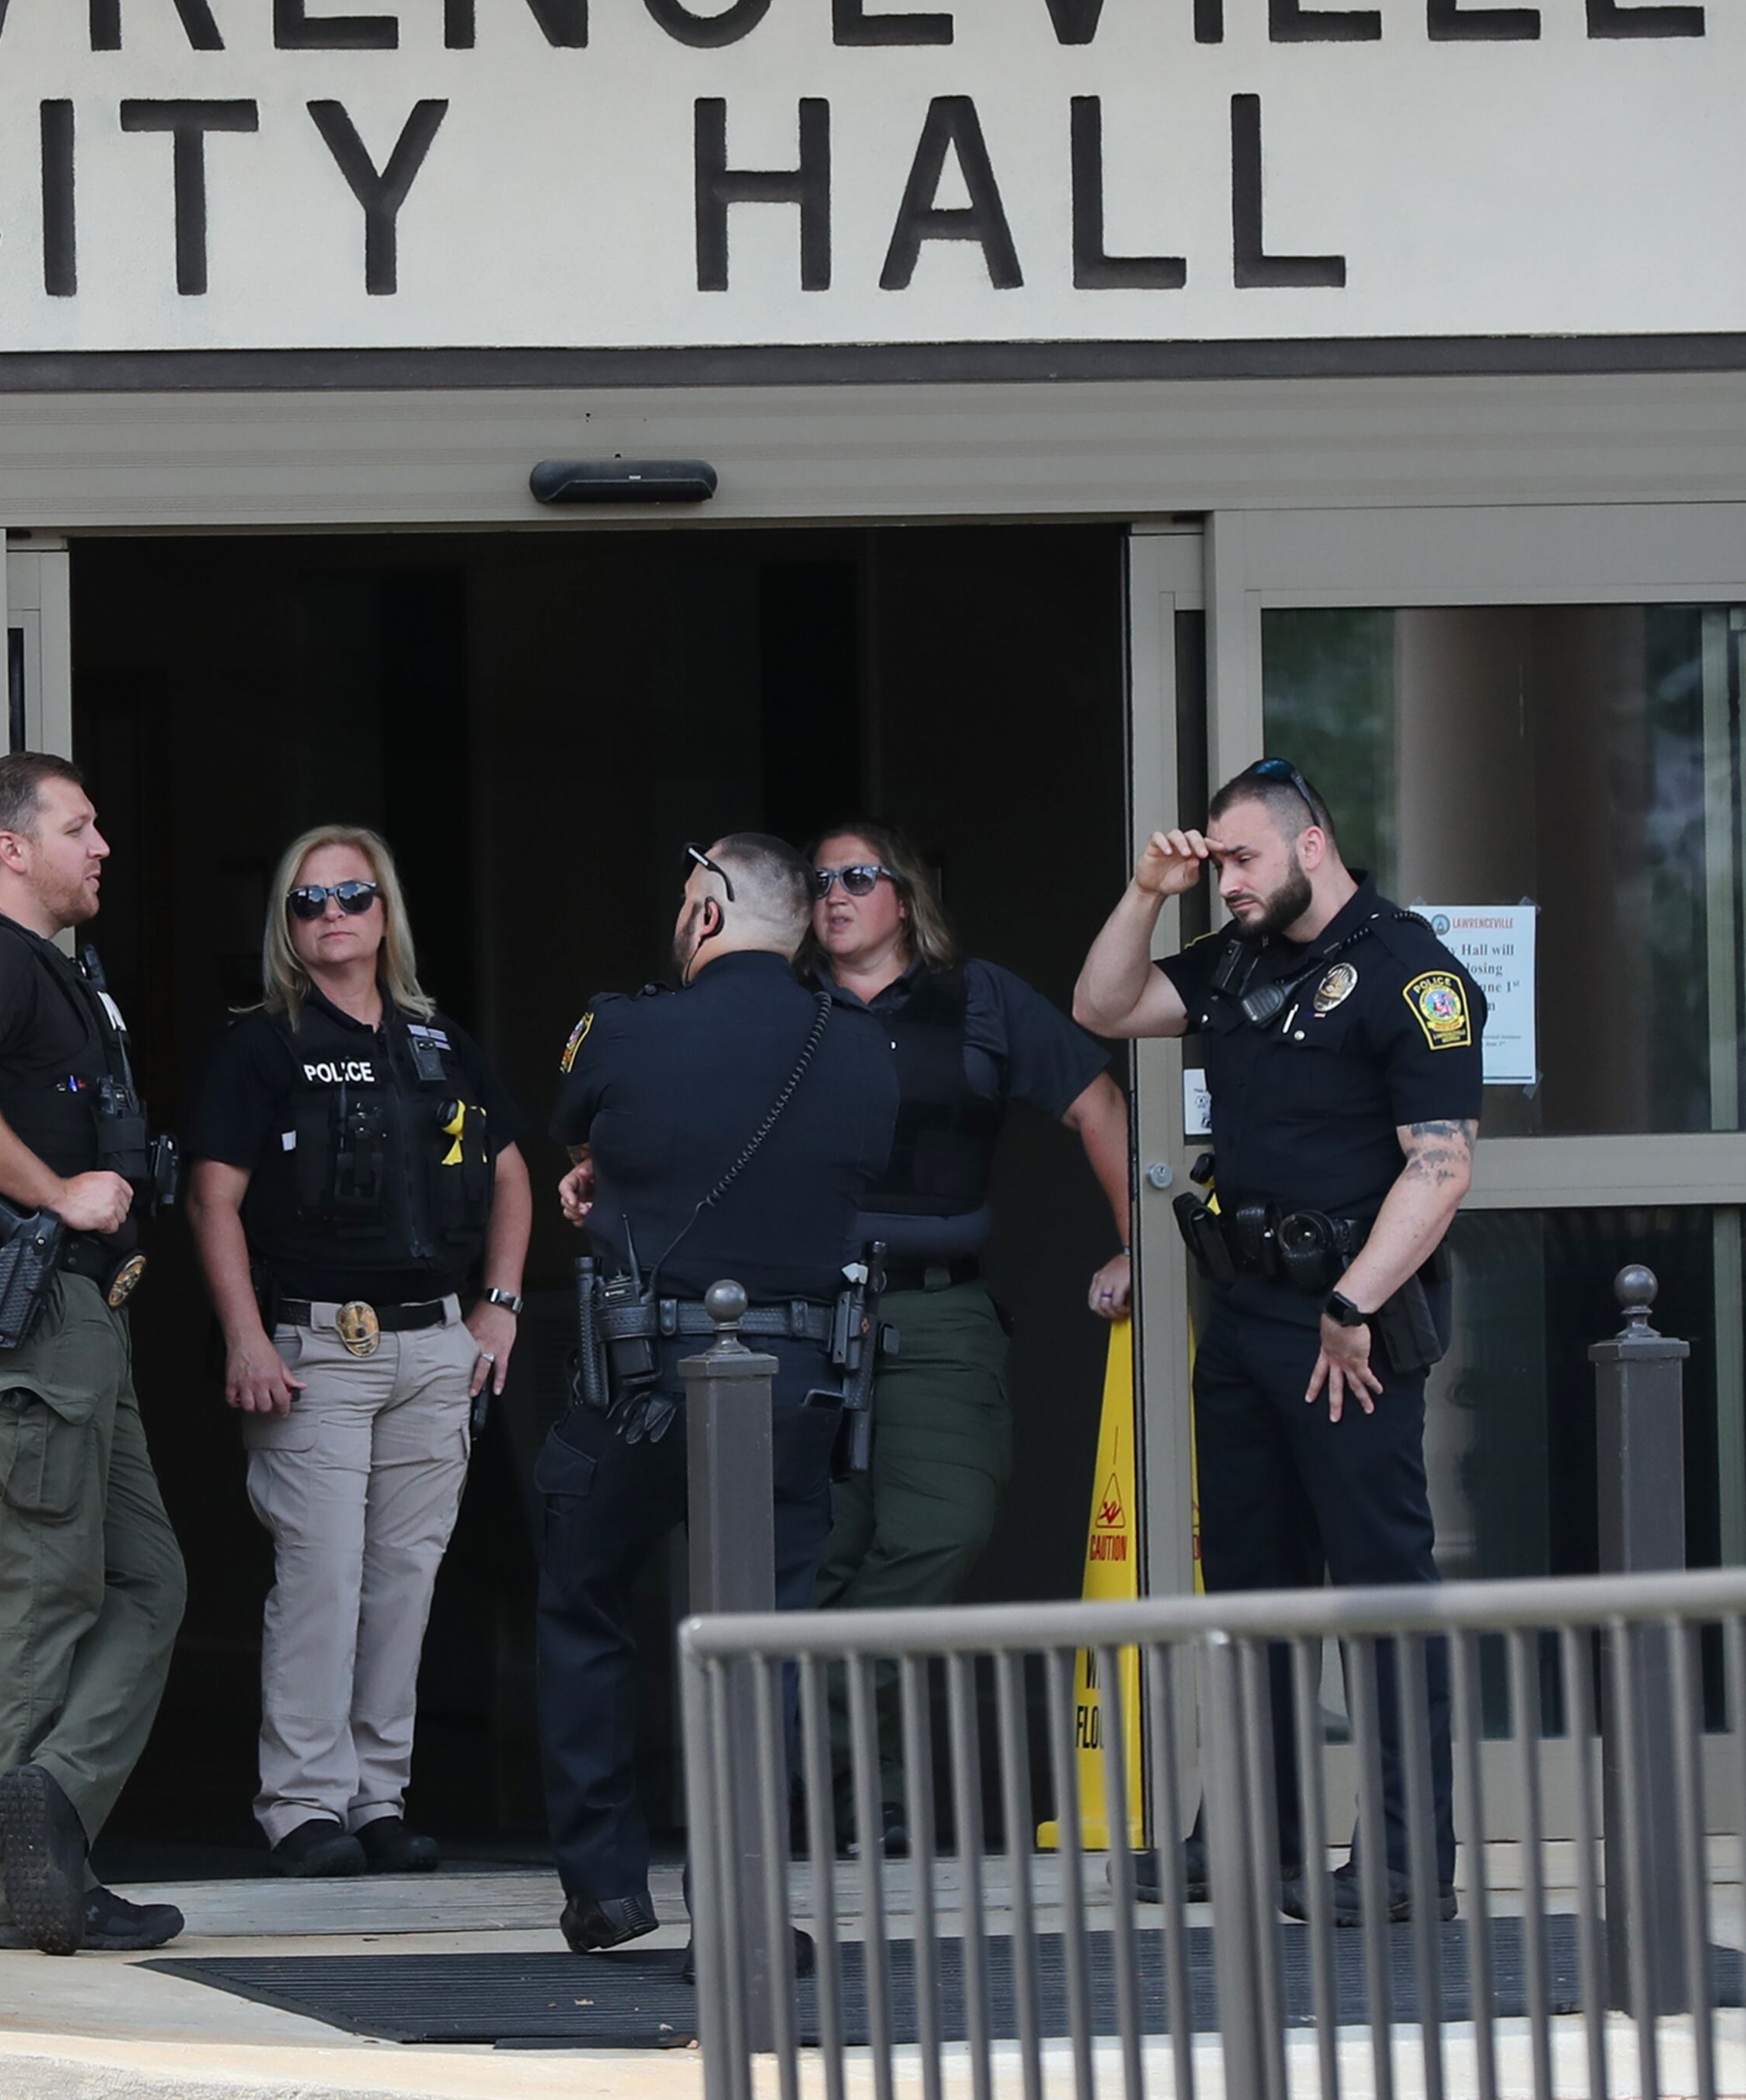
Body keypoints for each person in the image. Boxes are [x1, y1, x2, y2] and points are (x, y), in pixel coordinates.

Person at [1073, 757, 1481, 1925]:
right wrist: (1150, 890)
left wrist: (1352, 1305)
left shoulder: (1413, 972)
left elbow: (1441, 1163)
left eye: (1241, 860)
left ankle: (1406, 1863)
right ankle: (1254, 1836)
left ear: (1312, 847)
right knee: (1251, 1584)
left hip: (1345, 1323)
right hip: (1244, 1315)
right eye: (1217, 863)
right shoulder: (1243, 956)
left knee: (1375, 1589)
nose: (1228, 884)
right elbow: (1102, 1007)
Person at [540, 834, 900, 1958]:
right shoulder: (859, 1048)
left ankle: (604, 1886)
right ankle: (739, 1903)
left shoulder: (628, 1027)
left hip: (643, 1378)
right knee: (766, 1633)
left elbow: (583, 1122)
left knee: (584, 1598)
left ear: (704, 915)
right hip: (796, 1382)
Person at [186, 825, 532, 1879]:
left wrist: (501, 1304)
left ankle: (378, 1797)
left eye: (351, 896)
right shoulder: (259, 1047)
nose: (332, 915)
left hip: (435, 1343)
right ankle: (303, 1808)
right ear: (286, 928)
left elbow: (513, 1175)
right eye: (308, 902)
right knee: (322, 1579)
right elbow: (213, 1198)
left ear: (386, 911)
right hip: (316, 1346)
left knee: (405, 1583)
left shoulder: (442, 1042)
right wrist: (245, 1335)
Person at [0, 752, 188, 1955]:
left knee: (144, 1583)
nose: (103, 846)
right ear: (12, 847)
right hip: (30, 1316)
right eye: (80, 825)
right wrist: (58, 1190)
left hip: (75, 1322)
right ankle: (30, 1890)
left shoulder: (56, 974)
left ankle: (53, 1811)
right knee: (45, 1600)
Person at [801, 820, 1134, 1857]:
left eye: (858, 877)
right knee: (819, 1556)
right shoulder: (779, 1003)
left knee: (939, 1532)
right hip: (802, 1312)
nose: (835, 895)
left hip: (940, 1311)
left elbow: (1100, 1104)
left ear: (906, 897)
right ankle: (872, 1801)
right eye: (819, 882)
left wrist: (1140, 1252)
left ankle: (829, 1755)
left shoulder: (980, 997)